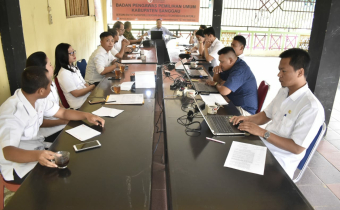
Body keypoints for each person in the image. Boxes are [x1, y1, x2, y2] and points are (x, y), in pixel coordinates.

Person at [230, 48, 325, 179]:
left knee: (234, 173)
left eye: (283, 71)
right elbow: (265, 115)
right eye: (279, 70)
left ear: (300, 72)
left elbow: (297, 148)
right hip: (264, 147)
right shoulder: (284, 91)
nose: (279, 75)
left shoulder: (311, 107)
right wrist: (246, 119)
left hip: (278, 163)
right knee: (228, 149)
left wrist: (263, 132)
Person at [0, 66, 105, 183]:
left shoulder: (38, 98)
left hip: (38, 150)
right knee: (64, 177)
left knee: (76, 158)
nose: (51, 88)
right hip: (19, 166)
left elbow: (63, 112)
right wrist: (37, 155)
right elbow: (8, 152)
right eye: (50, 85)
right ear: (40, 90)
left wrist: (86, 115)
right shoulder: (12, 114)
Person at [26, 52, 68, 141]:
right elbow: (40, 122)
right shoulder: (34, 93)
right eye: (50, 64)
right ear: (41, 70)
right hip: (49, 132)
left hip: (61, 122)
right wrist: (63, 121)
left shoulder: (50, 83)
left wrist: (66, 112)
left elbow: (58, 102)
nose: (52, 67)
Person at [206, 47, 258, 115]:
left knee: (212, 112)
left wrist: (216, 84)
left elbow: (224, 91)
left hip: (244, 110)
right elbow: (217, 81)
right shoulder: (229, 66)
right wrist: (217, 72)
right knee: (209, 107)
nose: (220, 64)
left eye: (222, 62)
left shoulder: (239, 70)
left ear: (230, 60)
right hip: (232, 103)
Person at [55, 43, 95, 110]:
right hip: (81, 106)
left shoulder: (74, 68)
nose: (74, 54)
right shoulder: (64, 73)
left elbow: (84, 83)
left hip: (88, 99)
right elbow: (76, 94)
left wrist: (91, 90)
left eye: (73, 51)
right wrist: (92, 87)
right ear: (63, 56)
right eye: (70, 53)